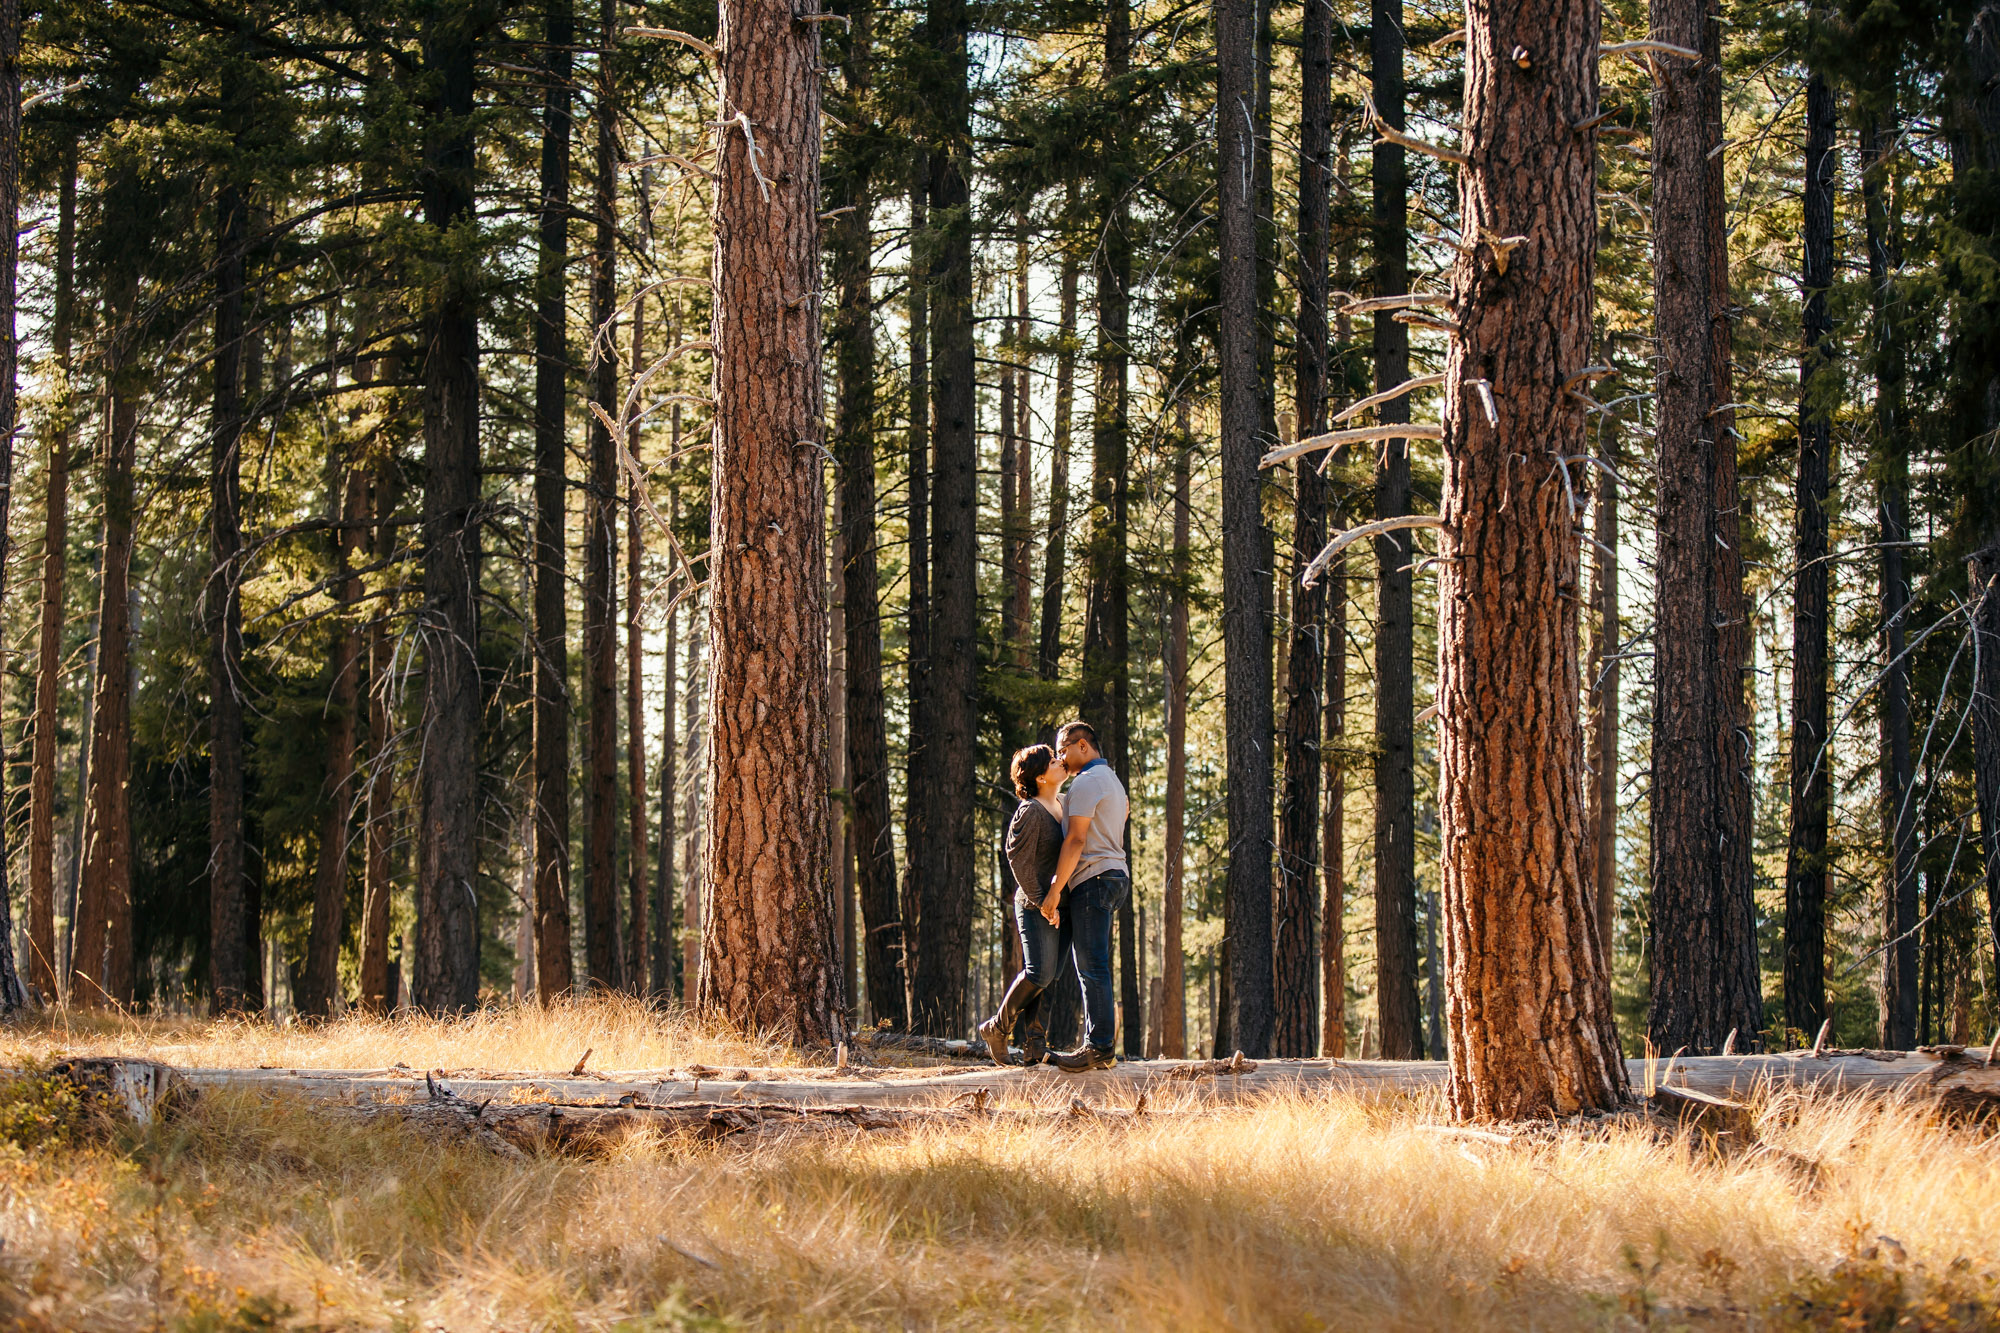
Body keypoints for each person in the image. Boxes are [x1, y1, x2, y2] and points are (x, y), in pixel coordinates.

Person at [1042, 720, 1129, 1072]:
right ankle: (1101, 1046)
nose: (1060, 758)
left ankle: (1099, 1047)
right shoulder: (1112, 781)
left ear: (1082, 746)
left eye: (1063, 750)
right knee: (1093, 965)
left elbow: (1075, 840)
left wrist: (1054, 890)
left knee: (1091, 967)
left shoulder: (1087, 782)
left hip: (1093, 878)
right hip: (1113, 875)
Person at [976, 743, 1066, 1066]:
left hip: (1057, 907)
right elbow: (1017, 858)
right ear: (1040, 777)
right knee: (1039, 973)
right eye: (1053, 761)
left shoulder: (1062, 805)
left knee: (1050, 975)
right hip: (1034, 905)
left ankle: (1034, 1046)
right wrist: (1043, 902)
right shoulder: (1030, 811)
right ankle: (997, 1027)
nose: (1061, 761)